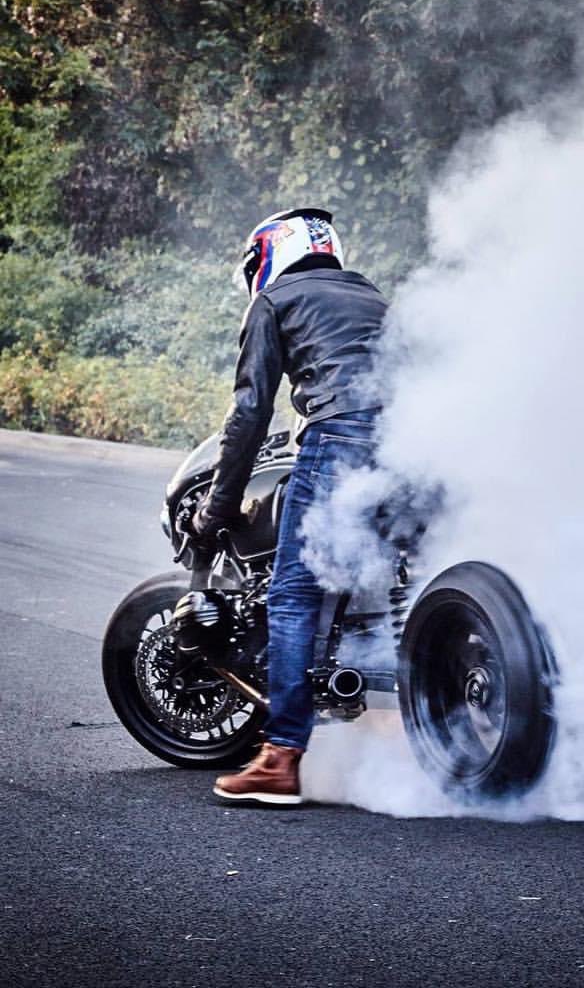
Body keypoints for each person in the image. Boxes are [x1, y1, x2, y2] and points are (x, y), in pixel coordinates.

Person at [191, 207, 388, 806]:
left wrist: (219, 507)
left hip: (343, 436)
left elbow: (251, 412)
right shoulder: (374, 299)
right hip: (418, 442)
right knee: (387, 580)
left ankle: (279, 758)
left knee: (294, 593)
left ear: (272, 252)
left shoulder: (275, 300)